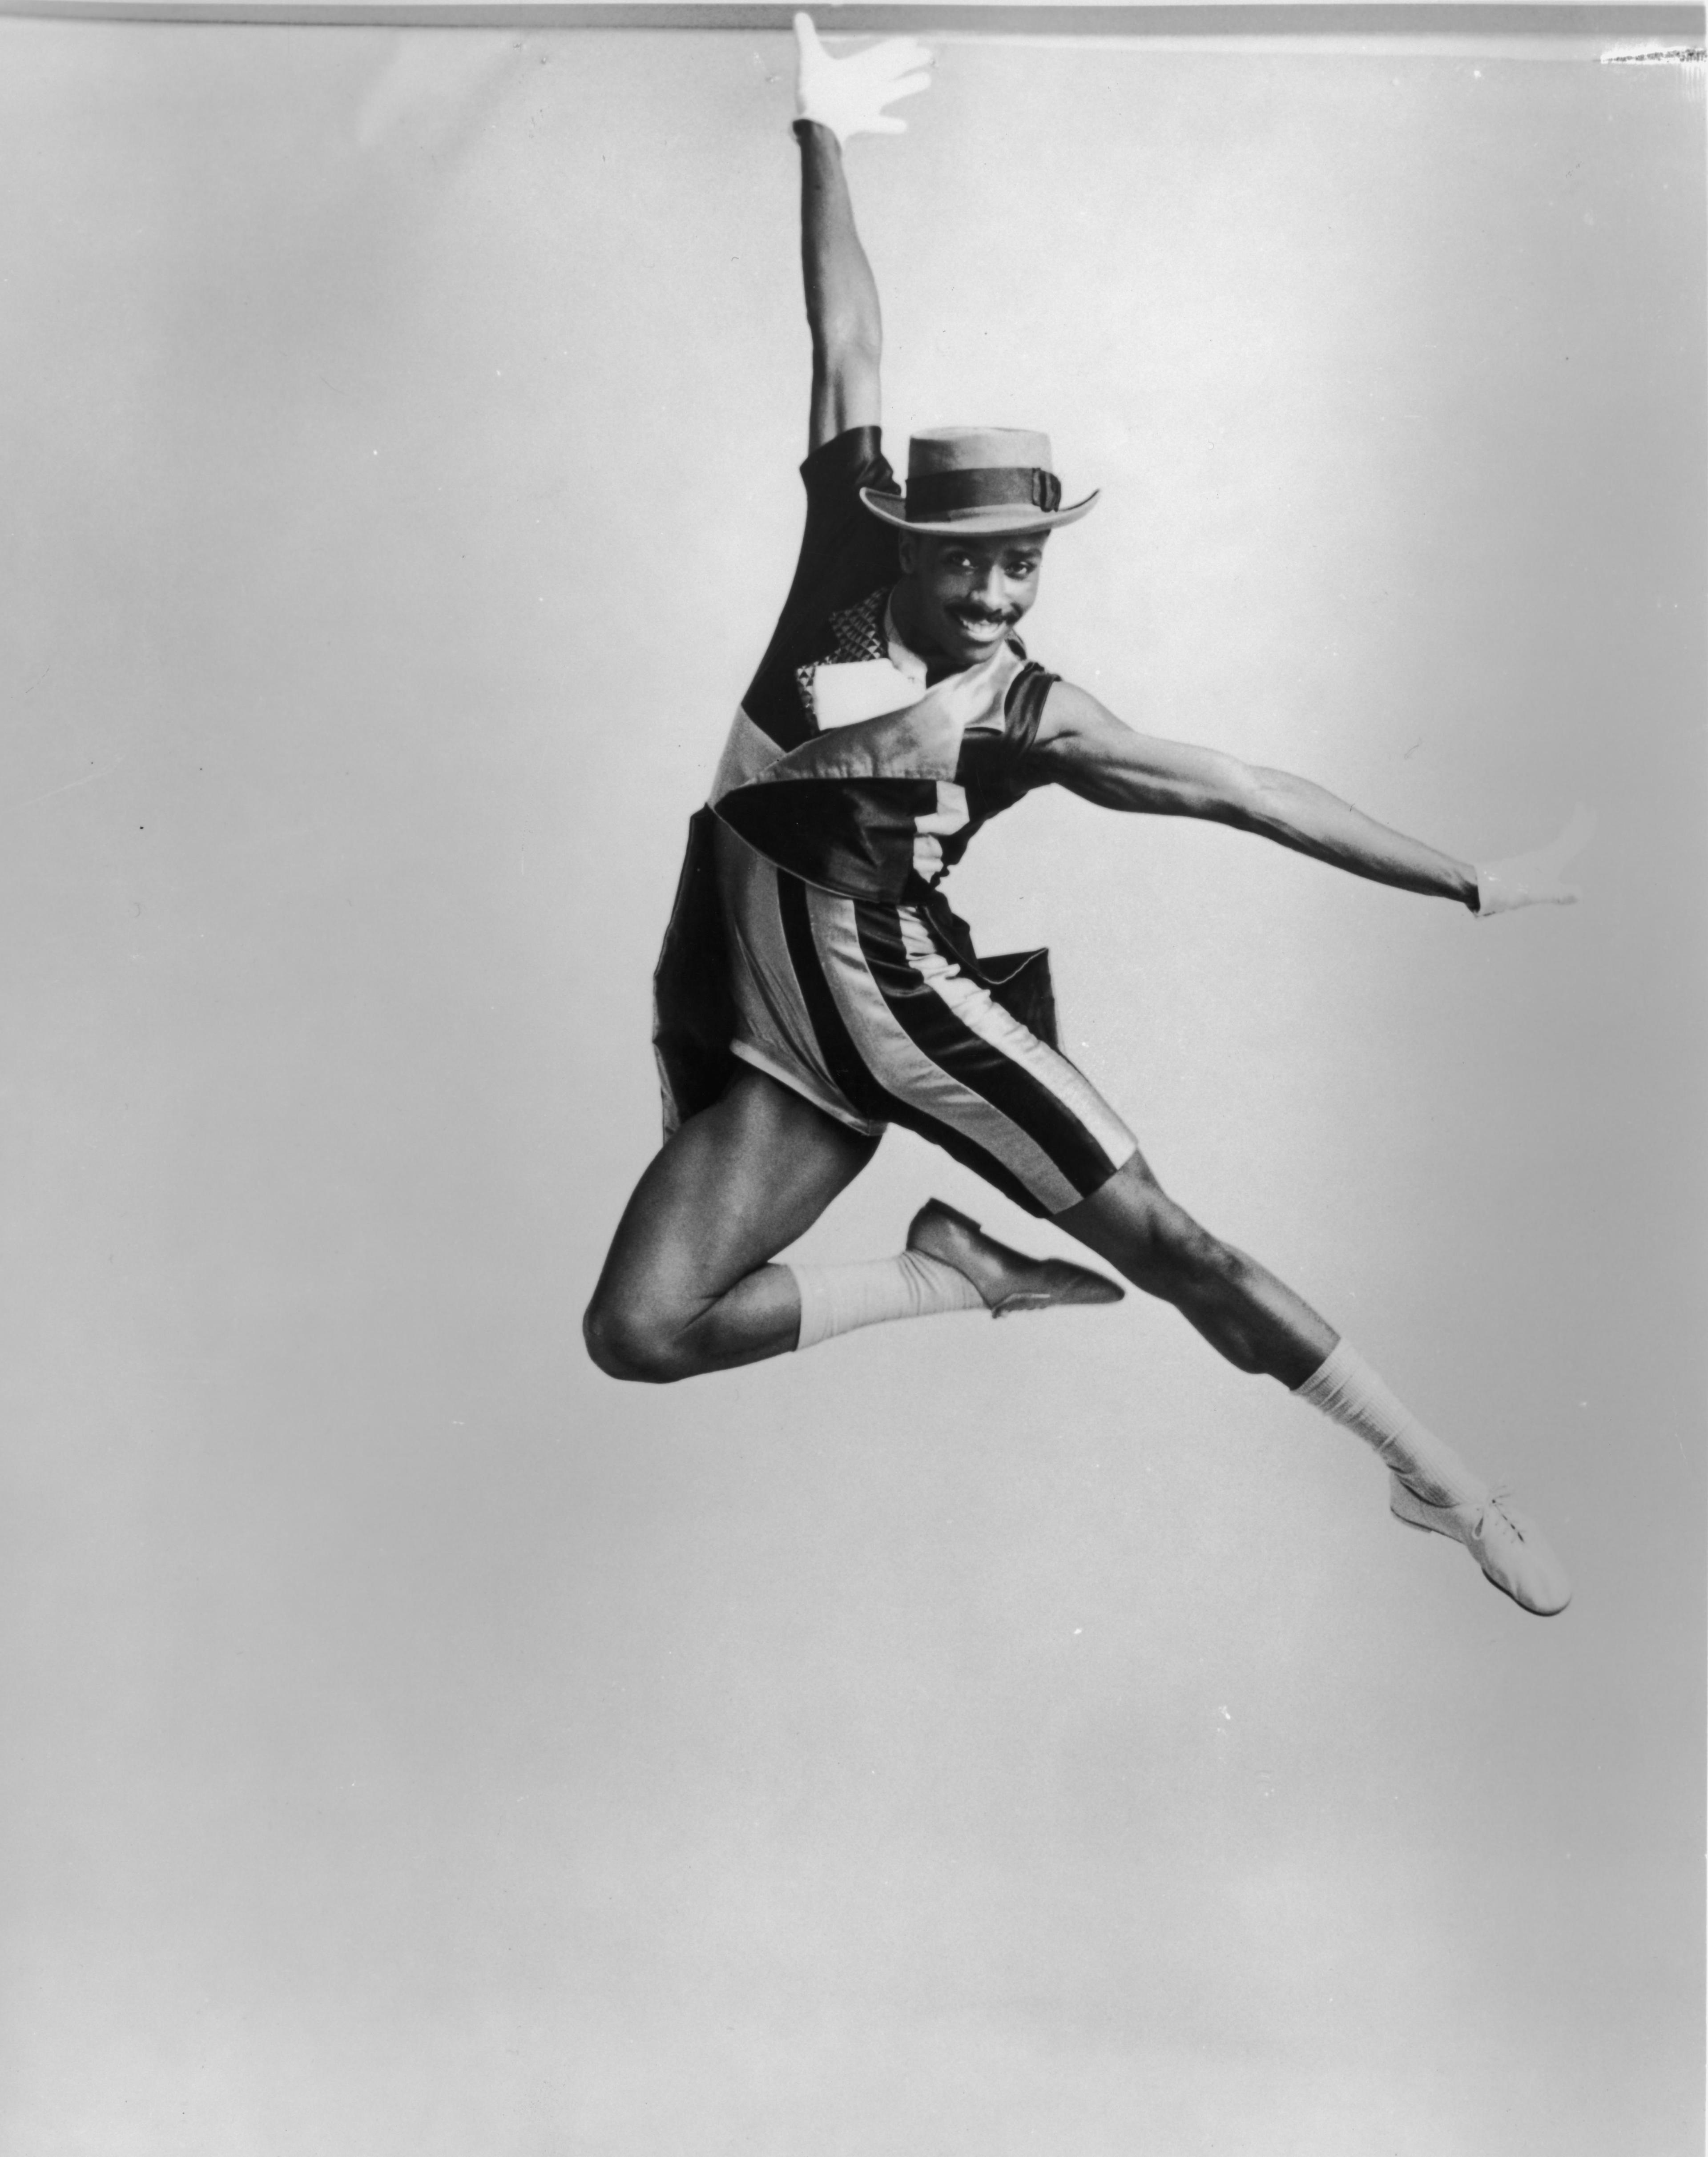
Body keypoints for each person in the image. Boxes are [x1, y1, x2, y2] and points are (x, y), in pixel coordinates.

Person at [584, 16, 1589, 1617]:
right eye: (969, 556)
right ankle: (950, 1272)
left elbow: (1244, 792)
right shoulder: (840, 566)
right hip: (776, 1037)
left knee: (1177, 1246)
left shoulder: (1033, 717)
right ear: (907, 541)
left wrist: (1468, 879)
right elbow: (847, 328)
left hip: (923, 1017)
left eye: (1024, 562)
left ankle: (1446, 1483)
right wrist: (821, 128)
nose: (995, 591)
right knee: (639, 1330)